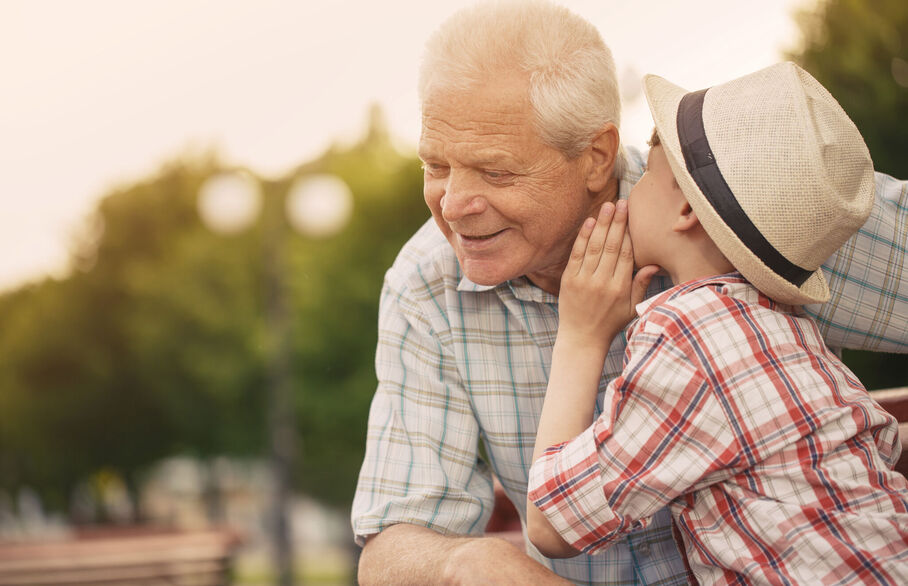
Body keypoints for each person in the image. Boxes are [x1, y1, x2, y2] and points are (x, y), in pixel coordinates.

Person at [351, 2, 908, 584]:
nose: (452, 204)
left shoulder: (755, 204)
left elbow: (555, 520)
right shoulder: (427, 285)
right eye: (435, 164)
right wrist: (465, 561)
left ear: (595, 156)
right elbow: (393, 539)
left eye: (495, 173)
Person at [525, 62, 908, 585]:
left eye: (646, 178)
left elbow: (552, 524)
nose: (626, 194)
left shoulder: (688, 336)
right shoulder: (787, 325)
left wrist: (580, 336)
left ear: (684, 207)